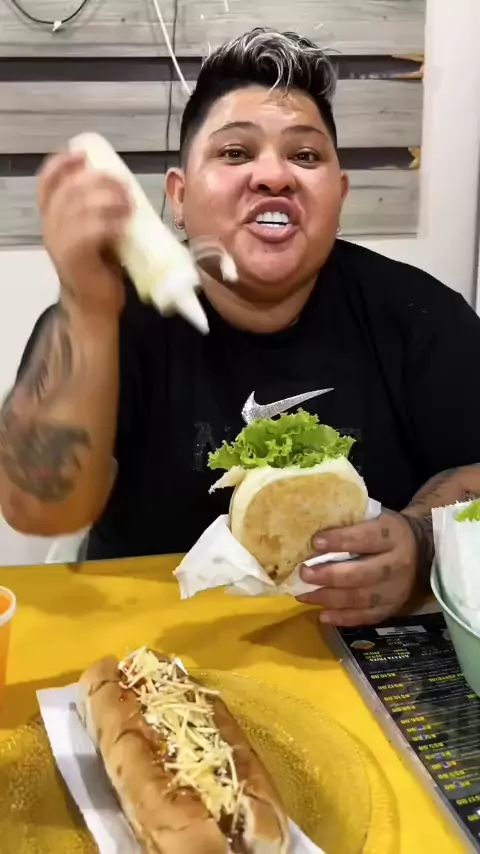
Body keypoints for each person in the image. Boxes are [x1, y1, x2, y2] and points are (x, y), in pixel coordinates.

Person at [1, 28, 480, 627]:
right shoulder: (105, 317)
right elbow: (37, 510)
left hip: (354, 644)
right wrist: (85, 307)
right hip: (149, 644)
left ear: (339, 195)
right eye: (234, 153)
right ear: (178, 197)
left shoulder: (417, 315)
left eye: (306, 156)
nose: (274, 175)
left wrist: (422, 541)